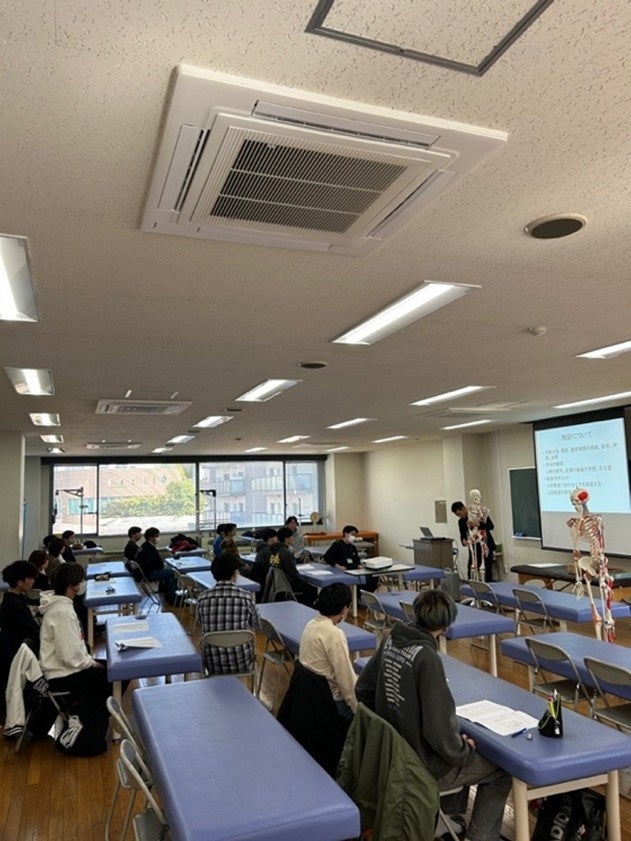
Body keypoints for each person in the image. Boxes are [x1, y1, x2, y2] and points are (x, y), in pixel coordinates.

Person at [355, 590, 511, 841]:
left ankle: (443, 821)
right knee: (499, 771)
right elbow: (438, 734)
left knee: (457, 750)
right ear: (446, 626)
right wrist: (464, 751)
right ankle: (478, 837)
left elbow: (363, 689)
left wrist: (392, 725)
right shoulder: (427, 658)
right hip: (419, 769)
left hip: (391, 757)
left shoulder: (391, 639)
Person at [39, 564, 111, 706]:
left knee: (113, 668)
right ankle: (93, 712)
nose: (83, 583)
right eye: (80, 580)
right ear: (73, 585)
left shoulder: (61, 604)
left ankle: (94, 708)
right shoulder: (62, 612)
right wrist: (91, 663)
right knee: (116, 675)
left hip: (64, 667)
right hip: (61, 674)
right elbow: (69, 656)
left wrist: (89, 660)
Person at [299, 583, 357, 720]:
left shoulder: (310, 624)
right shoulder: (334, 634)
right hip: (331, 702)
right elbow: (346, 683)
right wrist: (360, 712)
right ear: (344, 609)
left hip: (310, 697)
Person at [196, 553, 260, 675]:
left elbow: (200, 621)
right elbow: (255, 622)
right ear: (235, 573)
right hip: (242, 661)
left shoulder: (203, 598)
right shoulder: (246, 597)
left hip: (212, 662)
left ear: (213, 574)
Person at [0, 560, 41, 657]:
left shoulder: (15, 597)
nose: (33, 581)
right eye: (30, 578)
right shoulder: (14, 604)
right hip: (16, 651)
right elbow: (32, 630)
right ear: (19, 582)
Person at [450, 499, 496, 583]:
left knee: (487, 569)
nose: (459, 516)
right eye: (457, 515)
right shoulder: (461, 521)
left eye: (459, 514)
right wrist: (464, 541)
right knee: (470, 568)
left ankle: (489, 585)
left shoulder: (479, 514)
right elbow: (463, 535)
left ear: (464, 508)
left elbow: (491, 526)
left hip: (485, 545)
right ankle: (470, 585)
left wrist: (479, 524)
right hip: (473, 547)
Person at [323, 525, 378, 592]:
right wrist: (338, 566)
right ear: (346, 534)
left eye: (355, 535)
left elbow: (357, 560)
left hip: (353, 569)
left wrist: (360, 566)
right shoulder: (337, 544)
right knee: (365, 580)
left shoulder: (352, 547)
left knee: (373, 576)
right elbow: (327, 557)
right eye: (352, 534)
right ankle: (360, 594)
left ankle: (366, 593)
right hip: (343, 570)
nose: (354, 537)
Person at [269, 526, 314, 604]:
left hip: (278, 582)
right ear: (286, 539)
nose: (293, 538)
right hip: (288, 583)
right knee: (312, 589)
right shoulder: (286, 553)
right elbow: (293, 572)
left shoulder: (274, 550)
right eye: (291, 536)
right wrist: (304, 579)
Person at [135, 527, 177, 605]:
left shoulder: (144, 546)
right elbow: (159, 564)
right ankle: (172, 598)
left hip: (142, 573)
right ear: (151, 537)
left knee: (168, 573)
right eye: (156, 536)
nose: (158, 538)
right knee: (172, 573)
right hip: (147, 574)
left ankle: (168, 596)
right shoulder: (150, 548)